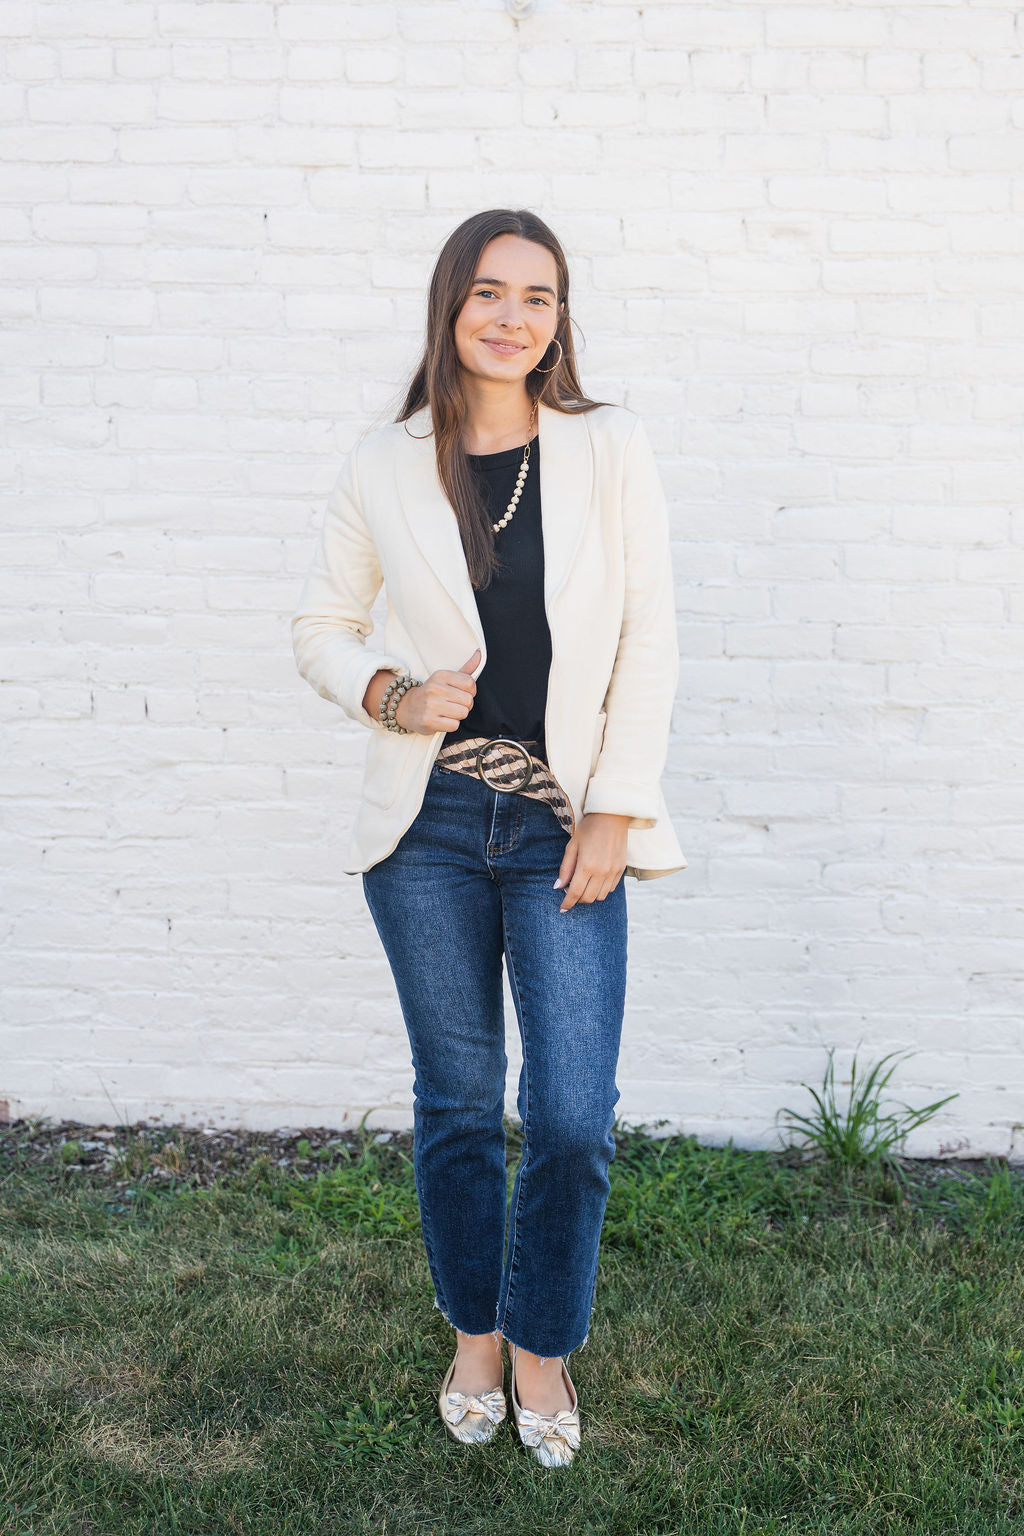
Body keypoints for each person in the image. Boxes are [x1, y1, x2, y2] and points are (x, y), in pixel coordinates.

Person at [291, 208, 686, 1468]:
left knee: (570, 1112)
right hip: (432, 822)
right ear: (450, 305)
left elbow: (649, 638)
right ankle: (475, 1334)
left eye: (538, 296)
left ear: (559, 320)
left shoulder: (608, 446)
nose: (513, 317)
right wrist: (389, 694)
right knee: (459, 1101)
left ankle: (542, 1344)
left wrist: (616, 805)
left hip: (567, 819)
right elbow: (320, 626)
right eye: (489, 292)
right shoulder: (385, 460)